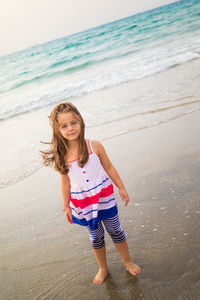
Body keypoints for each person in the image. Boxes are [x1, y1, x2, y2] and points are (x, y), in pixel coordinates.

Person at [41, 102, 141, 284]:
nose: (70, 128)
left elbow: (109, 167)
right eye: (64, 126)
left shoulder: (94, 146)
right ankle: (103, 268)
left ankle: (127, 261)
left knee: (115, 230)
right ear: (57, 129)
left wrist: (121, 187)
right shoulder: (61, 155)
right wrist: (66, 207)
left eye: (73, 123)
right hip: (83, 203)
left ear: (81, 121)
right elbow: (65, 183)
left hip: (104, 198)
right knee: (96, 236)